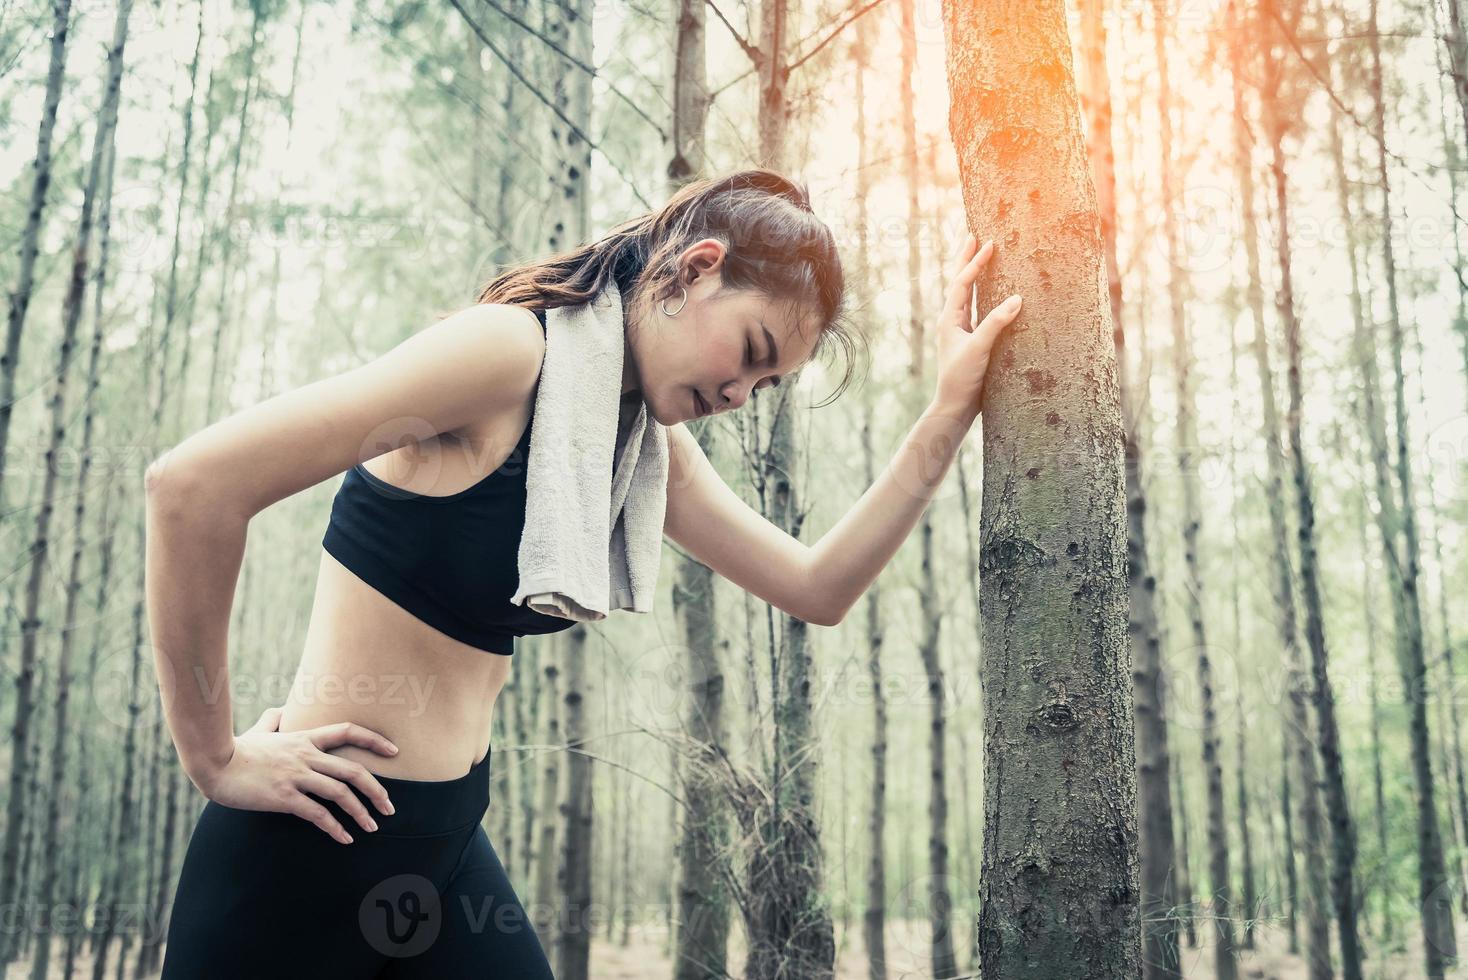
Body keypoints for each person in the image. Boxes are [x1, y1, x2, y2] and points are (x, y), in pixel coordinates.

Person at [143, 167, 1018, 977]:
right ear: (694, 269)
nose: (741, 396)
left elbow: (818, 589)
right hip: (306, 847)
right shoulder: (506, 353)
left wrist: (949, 410)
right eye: (750, 351)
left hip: (445, 847)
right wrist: (213, 756)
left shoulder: (637, 446)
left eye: (769, 384)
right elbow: (193, 486)